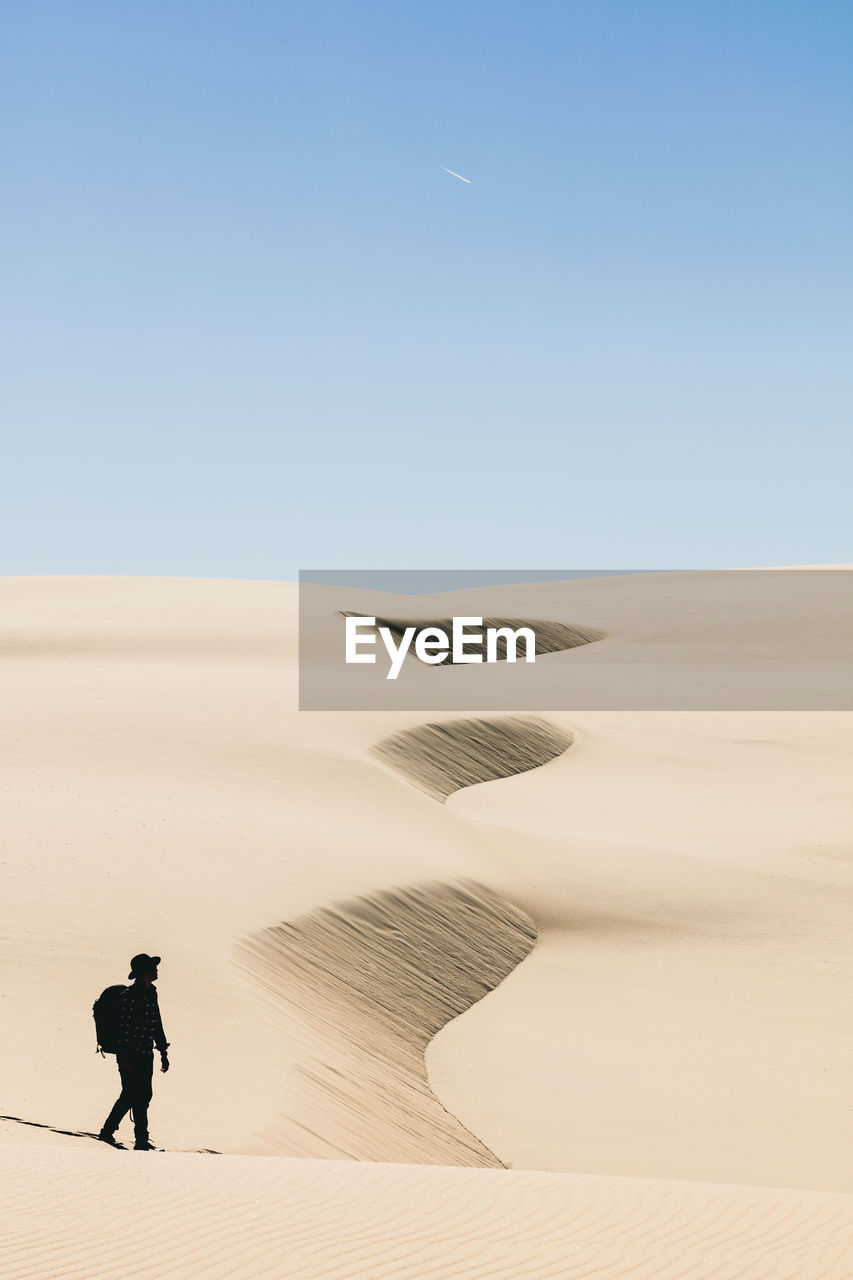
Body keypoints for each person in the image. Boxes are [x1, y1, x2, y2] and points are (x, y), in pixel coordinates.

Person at [99, 953, 170, 1151]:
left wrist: (163, 1051)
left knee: (143, 1095)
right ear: (144, 972)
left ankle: (140, 1141)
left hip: (147, 1054)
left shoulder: (152, 992)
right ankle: (110, 1132)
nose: (156, 970)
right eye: (152, 967)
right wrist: (125, 1057)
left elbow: (156, 1023)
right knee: (130, 1095)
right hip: (130, 1055)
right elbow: (123, 1029)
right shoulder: (128, 997)